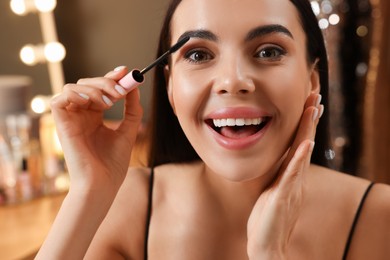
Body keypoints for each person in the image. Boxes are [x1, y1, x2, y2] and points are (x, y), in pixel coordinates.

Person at [36, 0, 390, 259]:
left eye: (268, 51)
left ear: (312, 81)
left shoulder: (379, 216)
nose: (233, 81)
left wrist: (269, 254)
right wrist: (87, 194)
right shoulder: (126, 206)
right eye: (199, 55)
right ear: (171, 88)